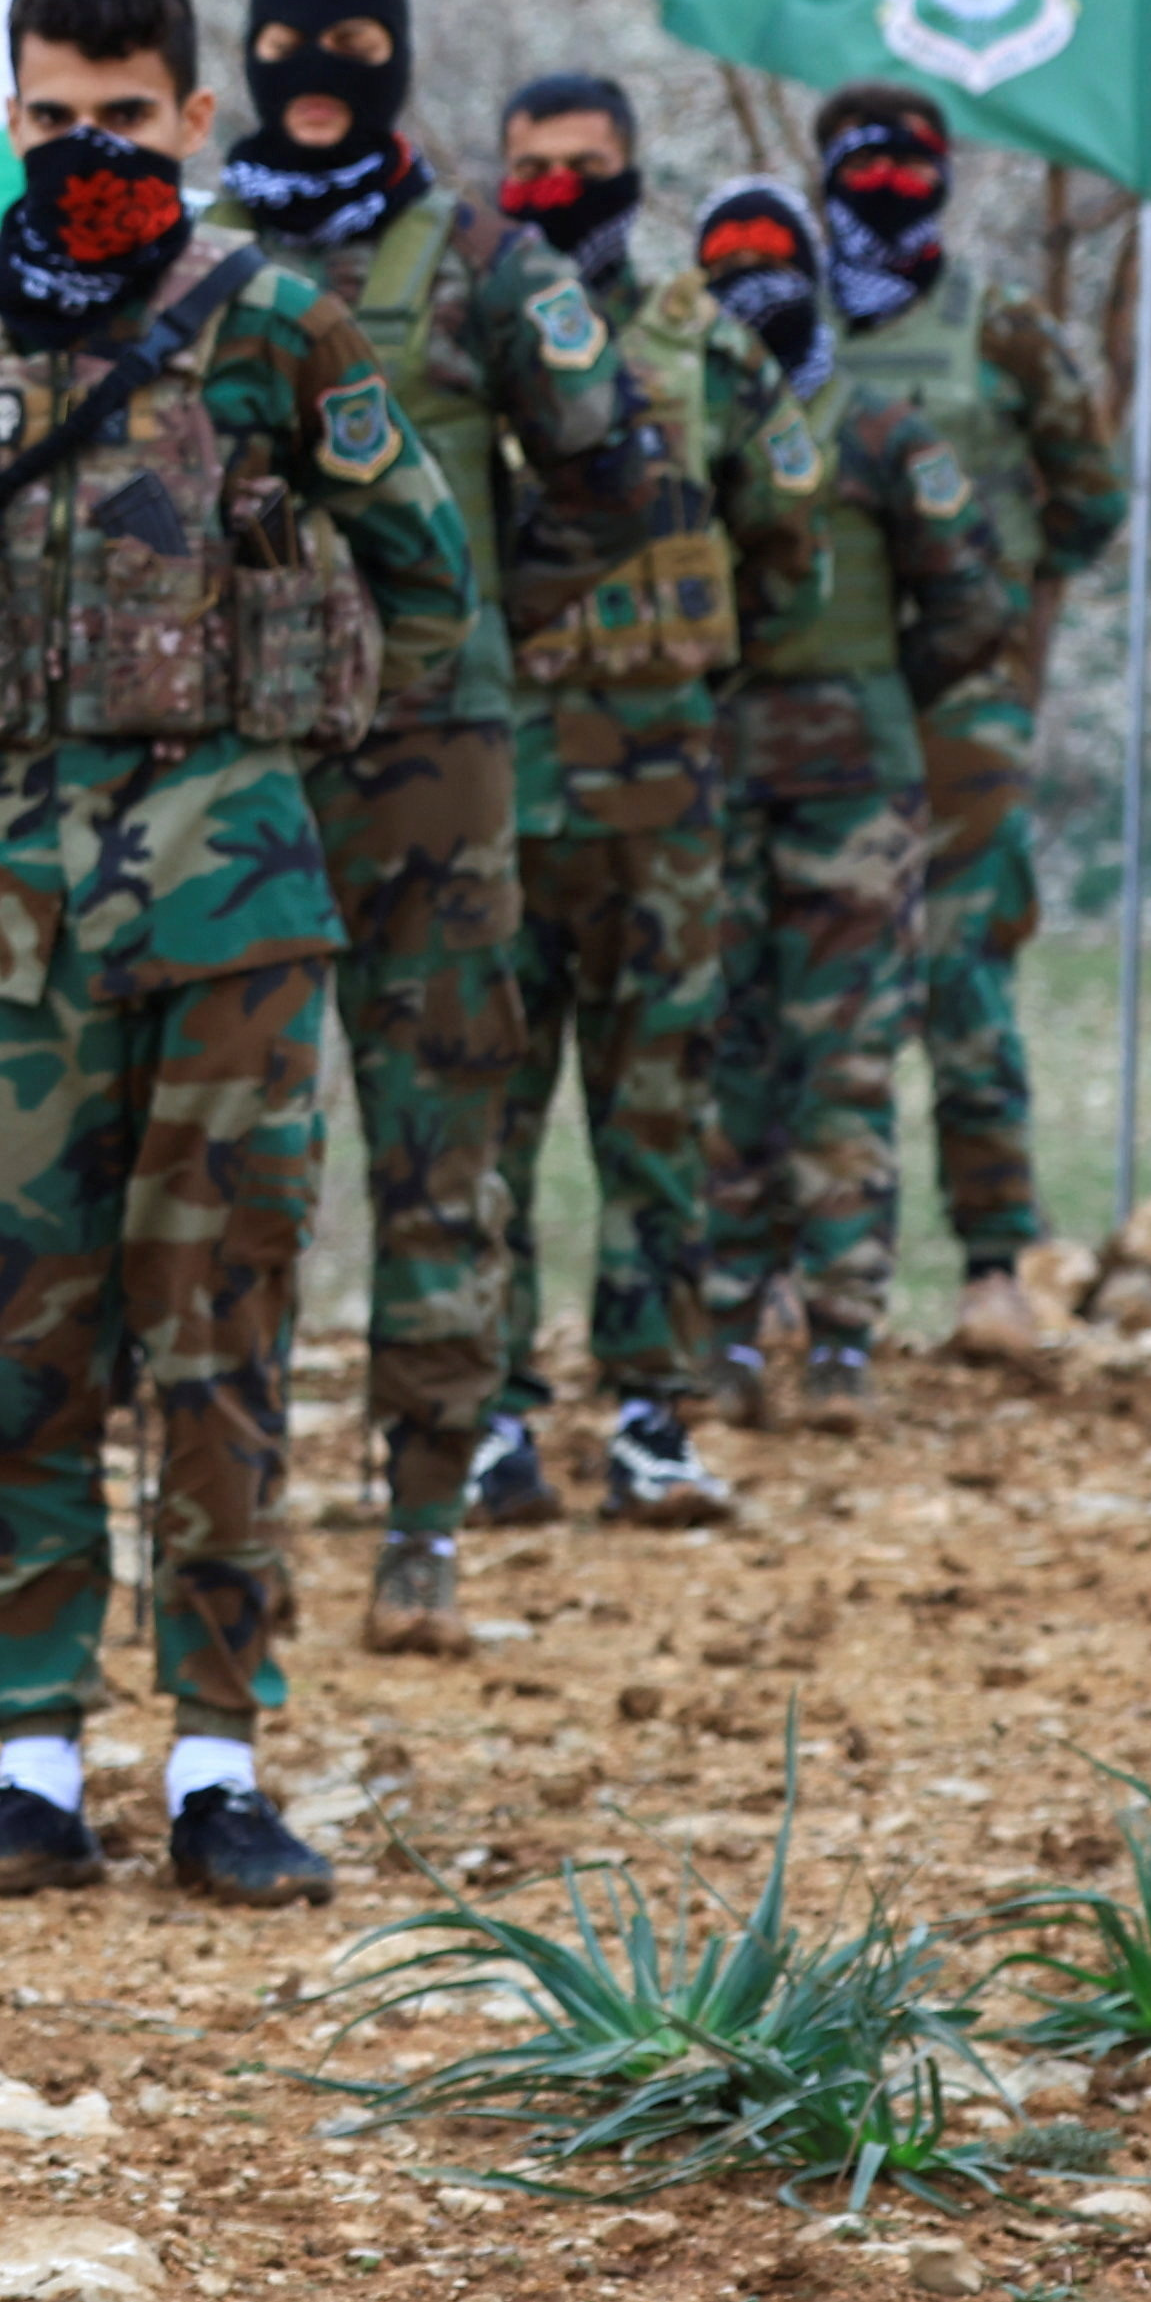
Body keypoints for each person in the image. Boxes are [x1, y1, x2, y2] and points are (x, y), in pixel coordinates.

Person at [0, 0, 483, 1916]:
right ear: (8, 117)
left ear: (194, 120)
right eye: (52, 116)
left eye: (123, 117)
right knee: (16, 1325)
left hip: (228, 909)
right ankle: (30, 1764)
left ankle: (219, 1761)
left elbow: (430, 580)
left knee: (219, 1327)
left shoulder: (278, 327)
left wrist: (288, 748)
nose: (86, 149)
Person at [198, 0, 656, 1656]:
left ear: (396, 58)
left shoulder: (481, 259)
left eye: (353, 43)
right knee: (229, 1156)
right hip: (233, 758)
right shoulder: (196, 265)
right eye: (285, 46)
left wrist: (471, 618)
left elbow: (610, 472)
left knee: (438, 1141)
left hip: (431, 763)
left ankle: (423, 1519)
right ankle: (231, 1525)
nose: (317, 75)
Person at [468, 75, 805, 1539]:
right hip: (488, 803)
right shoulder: (455, 346)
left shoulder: (703, 347)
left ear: (631, 171)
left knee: (656, 1118)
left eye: (582, 164)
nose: (555, 187)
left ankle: (651, 1422)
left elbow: (785, 548)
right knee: (482, 1125)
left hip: (660, 809)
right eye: (529, 165)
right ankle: (487, 1422)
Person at [798, 86, 1127, 1361]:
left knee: (960, 973)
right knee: (811, 987)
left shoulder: (1003, 332)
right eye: (861, 162)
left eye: (909, 163)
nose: (885, 184)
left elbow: (1088, 501)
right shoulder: (785, 328)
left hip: (961, 710)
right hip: (818, 701)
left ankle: (993, 1260)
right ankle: (805, 1275)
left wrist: (998, 604)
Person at [695, 178, 1028, 1424]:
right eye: (724, 266)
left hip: (852, 800)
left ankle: (840, 1333)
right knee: (723, 1057)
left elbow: (972, 598)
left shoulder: (882, 432)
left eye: (769, 260)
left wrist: (876, 687)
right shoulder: (684, 426)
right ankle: (727, 1327)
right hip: (717, 786)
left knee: (839, 1062)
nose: (750, 286)